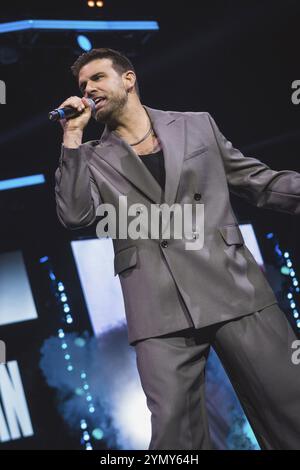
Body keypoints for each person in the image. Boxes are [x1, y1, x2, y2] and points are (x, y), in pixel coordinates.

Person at [54, 48, 300, 450]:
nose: (88, 89)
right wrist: (72, 136)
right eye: (82, 85)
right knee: (173, 437)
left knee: (291, 403)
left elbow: (259, 182)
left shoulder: (196, 125)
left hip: (232, 284)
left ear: (128, 79)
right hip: (158, 307)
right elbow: (75, 214)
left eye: (97, 78)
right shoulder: (91, 157)